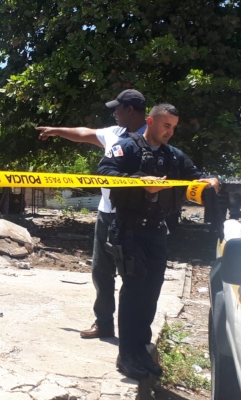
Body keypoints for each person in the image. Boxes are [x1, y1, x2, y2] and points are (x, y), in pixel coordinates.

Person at [97, 103, 219, 380]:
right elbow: (103, 173)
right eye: (166, 125)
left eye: (174, 127)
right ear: (150, 122)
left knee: (151, 293)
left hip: (156, 232)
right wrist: (140, 181)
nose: (170, 132)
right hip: (128, 230)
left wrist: (210, 181)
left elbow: (196, 177)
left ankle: (140, 350)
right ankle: (127, 355)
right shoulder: (126, 147)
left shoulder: (173, 156)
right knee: (134, 292)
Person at [37, 89, 147, 339]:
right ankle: (104, 323)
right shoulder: (114, 134)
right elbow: (83, 134)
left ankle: (133, 332)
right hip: (106, 213)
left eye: (117, 109)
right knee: (101, 271)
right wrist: (55, 130)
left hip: (135, 217)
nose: (114, 113)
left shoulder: (151, 138)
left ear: (130, 110)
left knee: (133, 274)